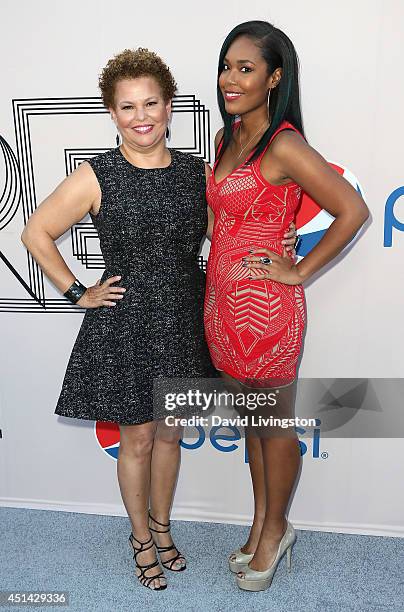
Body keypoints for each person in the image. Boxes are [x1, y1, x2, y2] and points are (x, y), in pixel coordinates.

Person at [19, 45, 300, 591]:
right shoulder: (96, 175)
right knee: (138, 439)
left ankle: (163, 527)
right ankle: (139, 538)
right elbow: (35, 232)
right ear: (112, 113)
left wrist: (280, 239)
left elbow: (231, 229)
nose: (141, 116)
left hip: (184, 315)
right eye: (127, 107)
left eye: (151, 103)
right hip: (124, 325)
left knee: (170, 434)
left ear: (170, 107)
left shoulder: (199, 172)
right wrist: (78, 291)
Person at [204, 21, 369, 592]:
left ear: (275, 78)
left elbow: (352, 210)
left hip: (267, 312)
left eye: (245, 68)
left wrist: (296, 269)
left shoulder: (284, 144)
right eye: (226, 65)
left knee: (272, 428)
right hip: (222, 307)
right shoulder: (228, 139)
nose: (231, 78)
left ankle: (276, 532)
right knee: (252, 428)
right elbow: (222, 220)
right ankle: (260, 523)